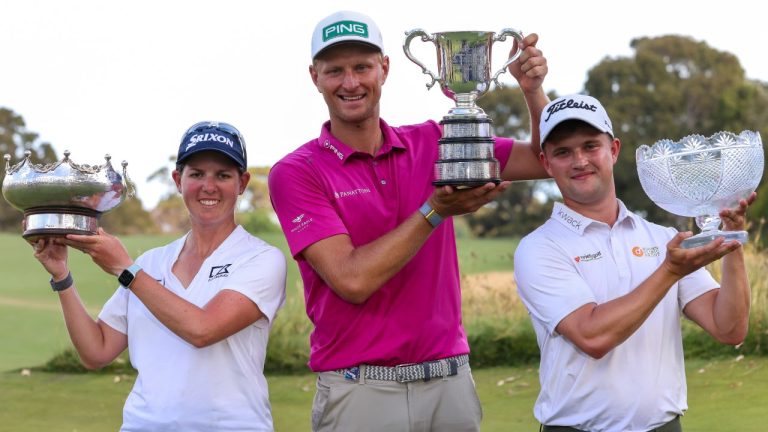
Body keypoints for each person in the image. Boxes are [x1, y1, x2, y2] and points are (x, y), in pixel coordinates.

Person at [267, 10, 549, 432]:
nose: (350, 83)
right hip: (360, 389)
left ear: (384, 68)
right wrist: (435, 211)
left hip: (449, 383)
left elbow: (545, 161)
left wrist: (532, 92)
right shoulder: (296, 172)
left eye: (362, 67)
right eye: (335, 71)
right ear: (314, 76)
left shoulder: (435, 140)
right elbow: (351, 280)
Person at [514, 94, 754, 432]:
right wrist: (669, 272)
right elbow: (592, 336)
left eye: (590, 146)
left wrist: (732, 240)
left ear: (613, 150)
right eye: (563, 152)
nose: (579, 160)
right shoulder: (539, 248)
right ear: (546, 162)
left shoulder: (660, 237)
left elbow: (729, 328)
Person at [32, 121, 287, 431]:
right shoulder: (150, 263)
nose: (209, 186)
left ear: (242, 183)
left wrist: (125, 270)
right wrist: (62, 277)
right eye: (196, 174)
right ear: (178, 180)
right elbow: (96, 351)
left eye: (223, 175)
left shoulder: (261, 259)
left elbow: (202, 330)